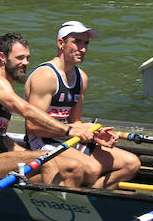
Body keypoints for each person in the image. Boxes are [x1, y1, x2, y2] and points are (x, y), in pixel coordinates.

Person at [0, 32, 108, 185]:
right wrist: (69, 130)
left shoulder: (5, 87)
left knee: (68, 168)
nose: (25, 63)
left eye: (27, 58)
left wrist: (26, 153)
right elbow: (26, 110)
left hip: (0, 158)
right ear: (2, 57)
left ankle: (60, 202)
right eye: (19, 58)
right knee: (58, 161)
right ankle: (60, 205)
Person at [24, 20, 139, 189]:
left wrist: (95, 135)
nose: (83, 48)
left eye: (86, 43)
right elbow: (33, 127)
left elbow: (75, 121)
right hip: (42, 141)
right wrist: (73, 130)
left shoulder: (81, 77)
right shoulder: (46, 76)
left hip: (67, 138)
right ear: (61, 43)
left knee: (132, 164)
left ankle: (92, 196)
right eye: (77, 42)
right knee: (92, 169)